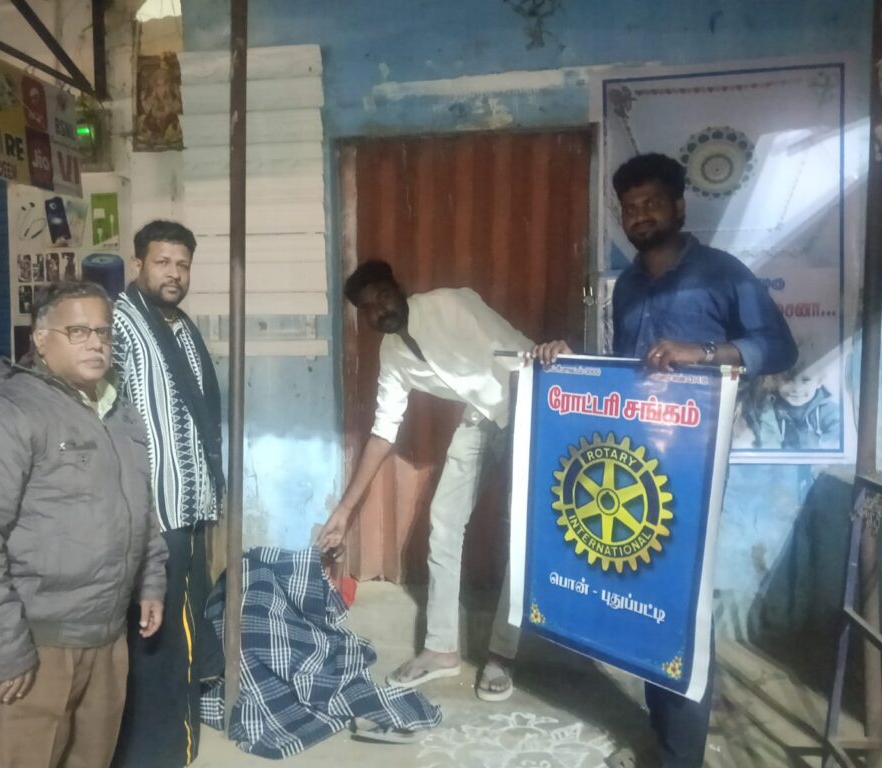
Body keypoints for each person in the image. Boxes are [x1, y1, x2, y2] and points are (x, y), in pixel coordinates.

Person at [536, 153, 797, 767]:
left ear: (680, 206)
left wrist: (703, 352)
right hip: (633, 468)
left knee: (679, 606)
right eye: (630, 207)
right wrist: (567, 362)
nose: (640, 215)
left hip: (693, 468)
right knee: (644, 598)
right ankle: (662, 736)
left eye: (652, 202)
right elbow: (625, 376)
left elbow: (779, 347)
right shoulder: (628, 286)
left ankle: (681, 754)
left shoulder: (721, 273)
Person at [0, 281, 168, 768]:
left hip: (107, 637)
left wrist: (151, 580)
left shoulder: (117, 411)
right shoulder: (6, 416)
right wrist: (7, 645)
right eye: (78, 331)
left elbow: (140, 507)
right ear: (41, 340)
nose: (96, 343)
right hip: (38, 642)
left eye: (103, 331)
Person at [318, 261, 531, 702]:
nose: (380, 310)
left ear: (400, 288)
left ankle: (502, 654)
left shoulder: (449, 306)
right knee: (445, 521)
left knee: (523, 533)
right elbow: (383, 431)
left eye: (383, 297)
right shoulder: (393, 354)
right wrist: (344, 511)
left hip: (525, 407)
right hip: (480, 418)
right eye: (368, 308)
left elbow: (517, 355)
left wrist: (532, 434)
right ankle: (440, 649)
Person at [111, 220, 225, 768]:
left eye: (182, 264)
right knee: (159, 642)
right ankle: (158, 754)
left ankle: (170, 744)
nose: (173, 273)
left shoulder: (179, 326)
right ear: (138, 264)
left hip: (190, 510)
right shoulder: (120, 326)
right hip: (156, 516)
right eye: (162, 262)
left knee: (182, 634)